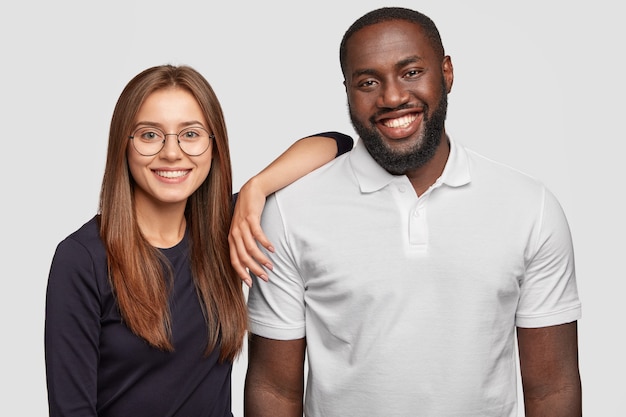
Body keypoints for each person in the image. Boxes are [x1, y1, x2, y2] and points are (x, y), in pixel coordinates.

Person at [239, 7, 582, 417]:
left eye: (411, 72)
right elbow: (273, 389)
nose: (392, 97)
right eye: (368, 82)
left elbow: (551, 388)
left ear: (447, 73)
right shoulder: (290, 212)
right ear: (347, 90)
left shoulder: (531, 207)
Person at [44, 64, 352, 417]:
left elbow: (337, 144)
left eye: (190, 134)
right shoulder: (82, 257)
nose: (172, 153)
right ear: (123, 146)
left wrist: (258, 187)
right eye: (149, 135)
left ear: (213, 145)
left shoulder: (226, 228)